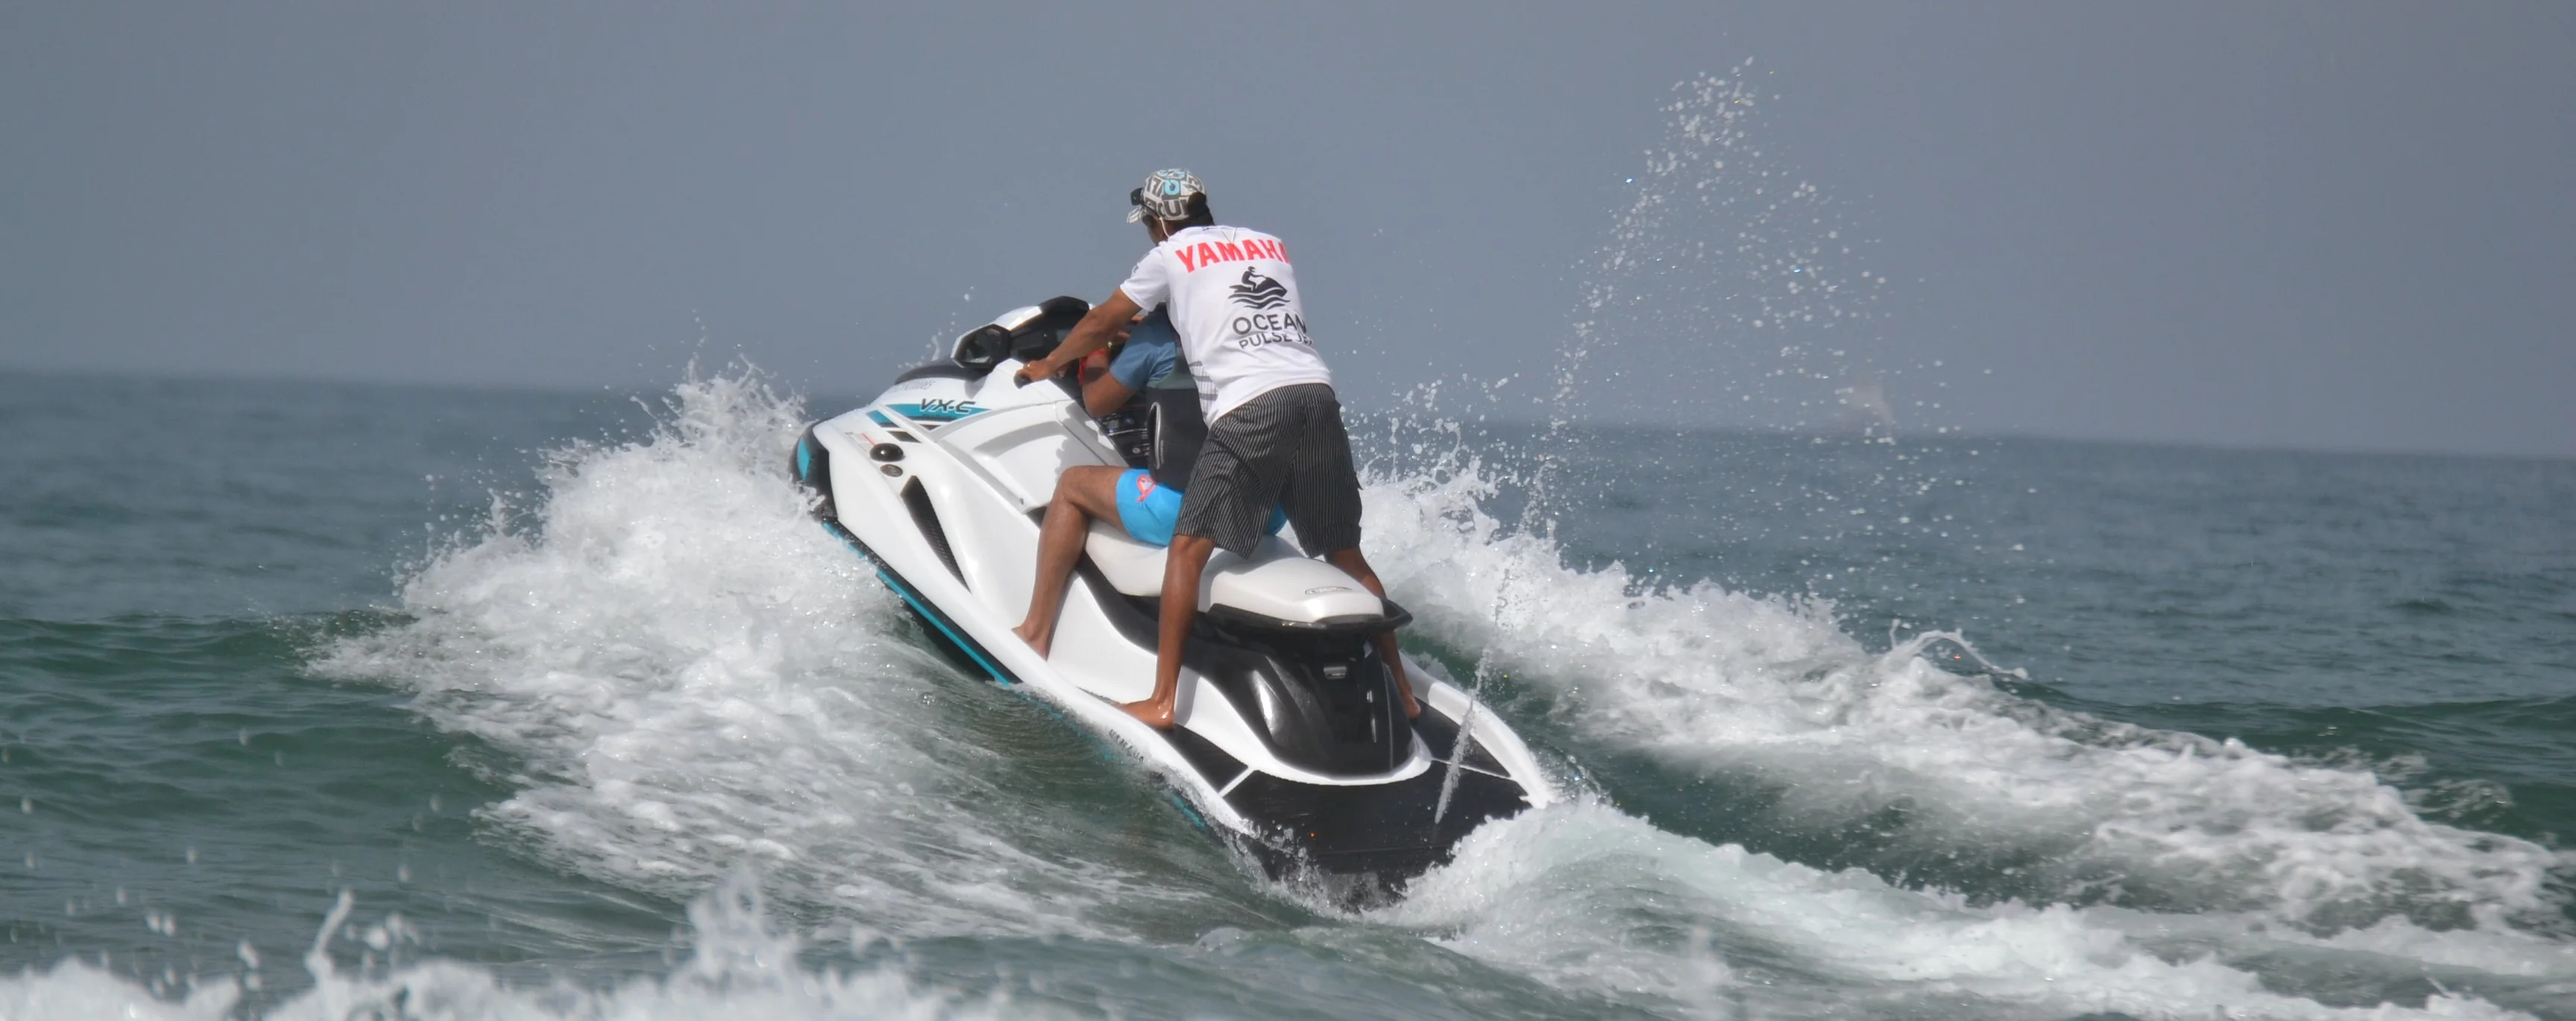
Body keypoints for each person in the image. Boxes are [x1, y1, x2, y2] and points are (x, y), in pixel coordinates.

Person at [1015, 169, 1418, 728]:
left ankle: (1162, 702)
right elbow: (1230, 305)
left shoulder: (1169, 253)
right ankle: (1404, 691)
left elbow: (1103, 320)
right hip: (1314, 393)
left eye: (1149, 225)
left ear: (1159, 223)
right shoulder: (1268, 244)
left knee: (1186, 551)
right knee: (1345, 554)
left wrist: (1049, 364)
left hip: (1252, 405)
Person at [1009, 309, 1283, 657]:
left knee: (1071, 485)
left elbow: (1096, 402)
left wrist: (1096, 350)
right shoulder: (1249, 329)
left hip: (1190, 512)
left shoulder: (1156, 337)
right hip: (1269, 510)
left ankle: (1035, 631)